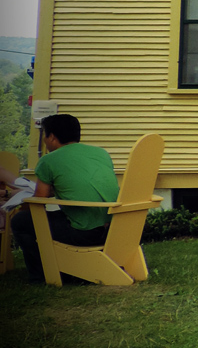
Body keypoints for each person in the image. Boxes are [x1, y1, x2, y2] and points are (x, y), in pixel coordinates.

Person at [12, 114, 120, 284]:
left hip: (84, 233)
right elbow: (81, 185)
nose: (45, 142)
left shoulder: (48, 160)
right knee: (55, 217)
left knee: (20, 221)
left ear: (52, 136)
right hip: (115, 228)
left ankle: (40, 276)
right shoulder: (101, 153)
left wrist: (20, 207)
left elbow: (37, 202)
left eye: (45, 136)